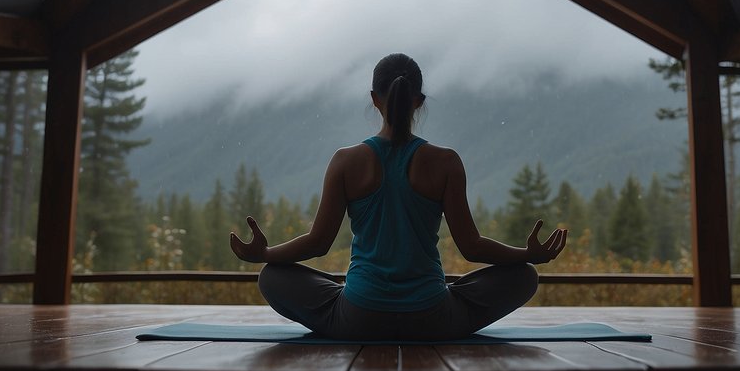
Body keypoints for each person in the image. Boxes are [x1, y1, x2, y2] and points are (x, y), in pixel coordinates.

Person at [229, 53, 567, 341]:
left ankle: (351, 297)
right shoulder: (446, 162)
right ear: (419, 100)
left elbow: (318, 243)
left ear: (374, 98)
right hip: (433, 318)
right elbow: (472, 247)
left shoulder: (346, 161)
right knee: (525, 276)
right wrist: (527, 254)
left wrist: (266, 254)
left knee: (271, 276)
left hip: (358, 317)